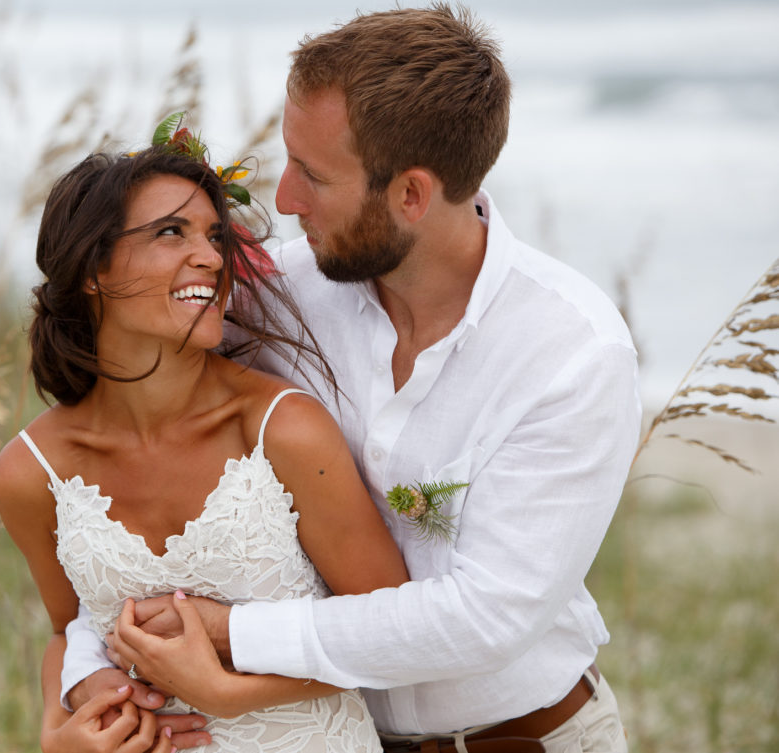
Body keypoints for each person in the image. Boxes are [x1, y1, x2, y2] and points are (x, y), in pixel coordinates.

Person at [66, 5, 641, 752]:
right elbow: (132, 460)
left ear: (410, 194)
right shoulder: (274, 300)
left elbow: (485, 617)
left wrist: (234, 637)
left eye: (312, 176)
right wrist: (80, 686)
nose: (283, 200)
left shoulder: (573, 353)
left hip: (530, 737)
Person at [0, 144, 411, 752]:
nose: (210, 257)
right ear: (92, 268)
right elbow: (68, 632)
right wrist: (63, 730)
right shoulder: (32, 472)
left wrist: (227, 691)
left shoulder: (282, 431)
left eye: (215, 236)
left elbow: (393, 633)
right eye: (171, 232)